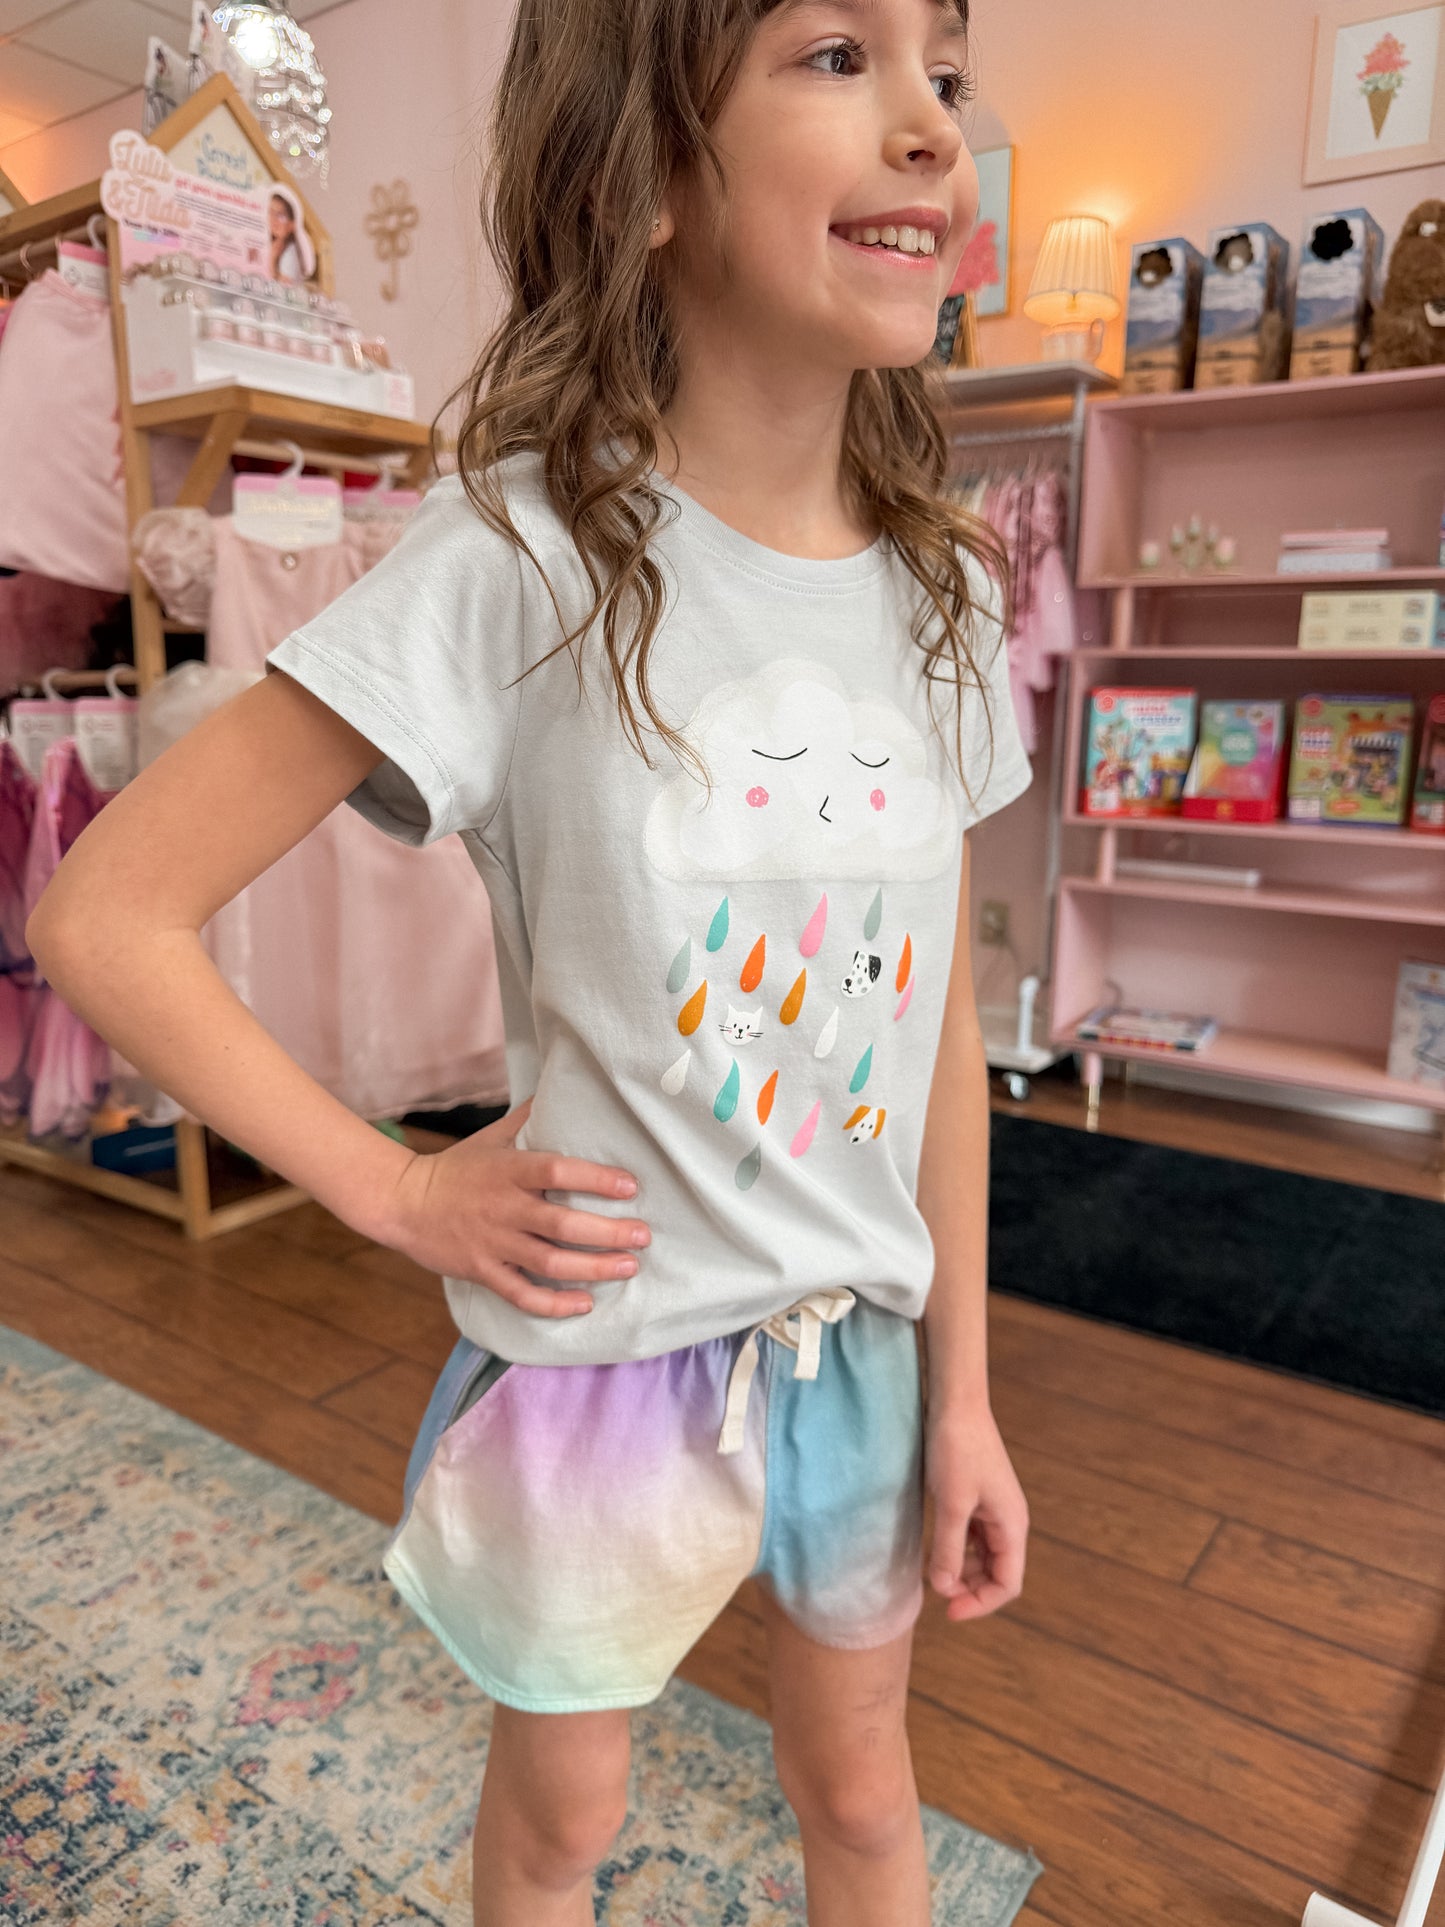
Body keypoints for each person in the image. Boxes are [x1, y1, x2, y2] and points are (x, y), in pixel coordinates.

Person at [27, 0, 1035, 1918]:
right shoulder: (518, 559)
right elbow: (106, 912)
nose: (928, 123)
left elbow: (945, 1028)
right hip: (605, 1367)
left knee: (870, 1797)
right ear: (653, 168)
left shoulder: (946, 596)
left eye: (947, 72)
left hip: (875, 1353)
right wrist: (397, 1184)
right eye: (840, 55)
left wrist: (967, 1390)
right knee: (561, 1825)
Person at [267, 187, 312, 283]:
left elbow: (285, 288)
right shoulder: (271, 245)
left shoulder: (290, 253)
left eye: (280, 216)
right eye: (270, 212)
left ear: (292, 224)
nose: (273, 219)